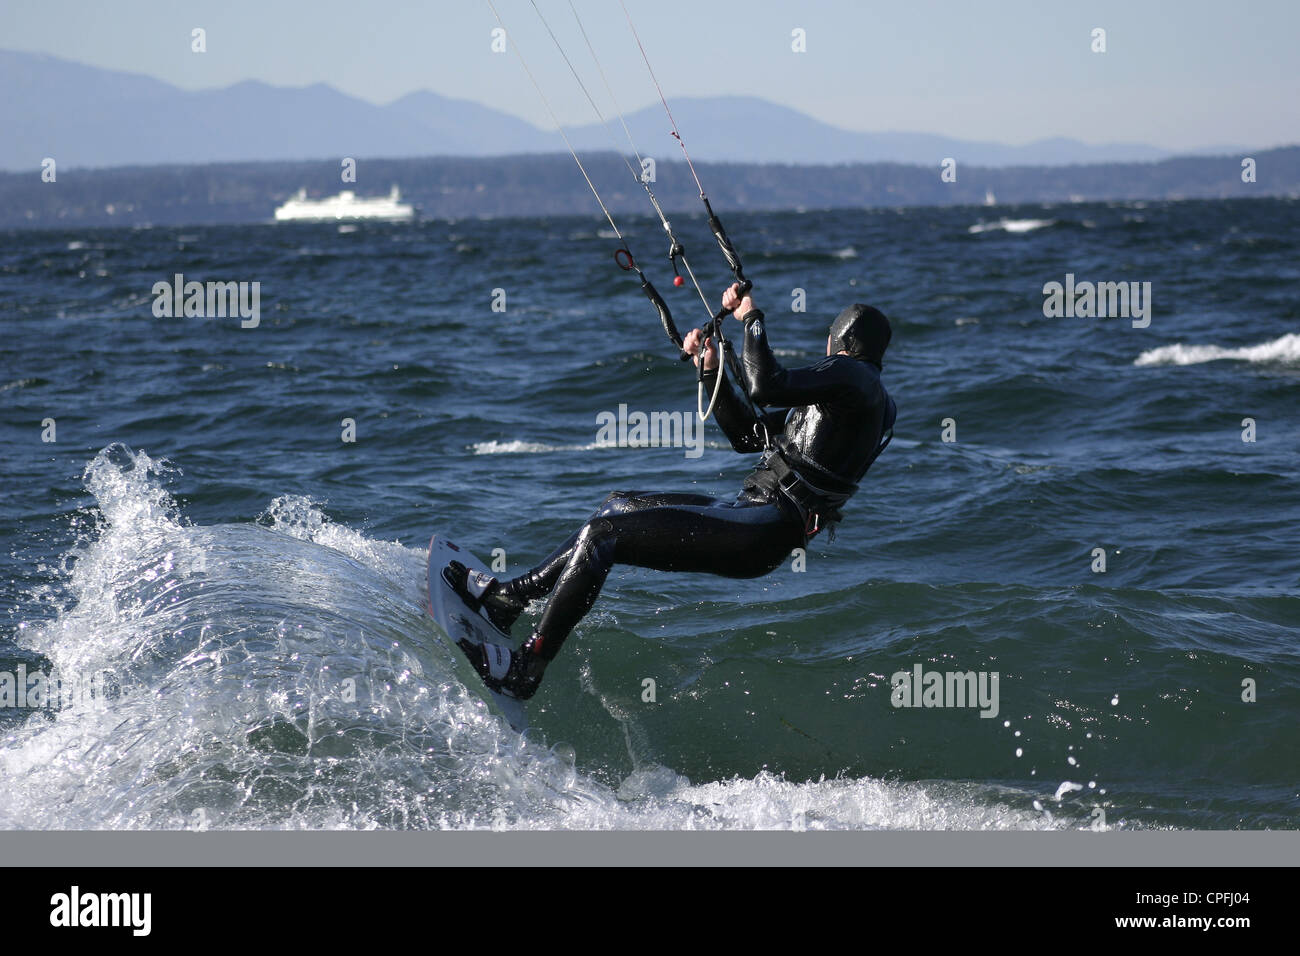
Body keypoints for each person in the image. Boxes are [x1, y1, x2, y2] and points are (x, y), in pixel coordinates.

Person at [445, 283, 897, 700]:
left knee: (604, 537)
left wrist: (752, 319)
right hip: (753, 516)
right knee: (616, 506)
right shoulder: (852, 401)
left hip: (765, 527)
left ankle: (527, 666)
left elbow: (765, 386)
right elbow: (748, 436)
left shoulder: (854, 377)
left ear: (840, 346)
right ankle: (509, 600)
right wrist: (710, 369)